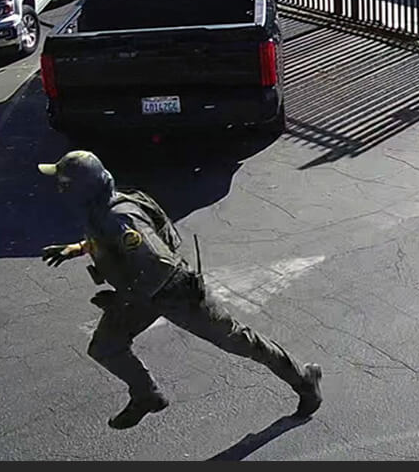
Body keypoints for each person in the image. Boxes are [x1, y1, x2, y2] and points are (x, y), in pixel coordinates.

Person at [38, 150, 323, 430]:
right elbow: (109, 243)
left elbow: (160, 267)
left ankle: (304, 379)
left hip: (176, 294)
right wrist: (76, 249)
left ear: (76, 189)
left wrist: (122, 300)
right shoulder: (100, 209)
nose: (59, 189)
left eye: (63, 184)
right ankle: (146, 395)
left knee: (238, 341)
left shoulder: (121, 219)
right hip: (141, 295)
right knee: (105, 347)